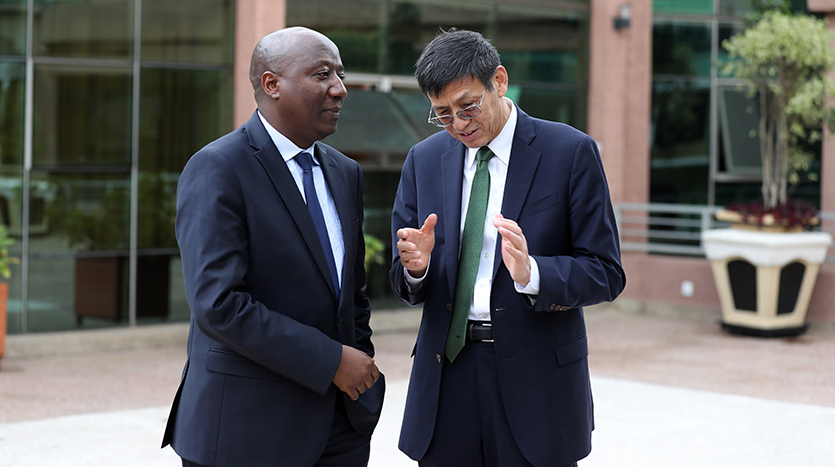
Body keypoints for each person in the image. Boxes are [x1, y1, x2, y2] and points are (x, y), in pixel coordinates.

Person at [390, 29, 626, 467]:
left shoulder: (570, 152)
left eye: (467, 107)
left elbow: (606, 272)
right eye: (442, 114)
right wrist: (415, 269)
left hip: (537, 380)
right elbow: (403, 281)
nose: (458, 125)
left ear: (498, 81)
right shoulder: (423, 160)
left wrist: (533, 273)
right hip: (447, 376)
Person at [162, 26, 384, 467]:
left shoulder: (345, 172)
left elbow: (351, 294)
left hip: (341, 430)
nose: (340, 89)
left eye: (340, 75)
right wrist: (332, 361)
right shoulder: (218, 167)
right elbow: (219, 304)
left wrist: (361, 373)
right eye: (323, 74)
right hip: (247, 433)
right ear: (271, 84)